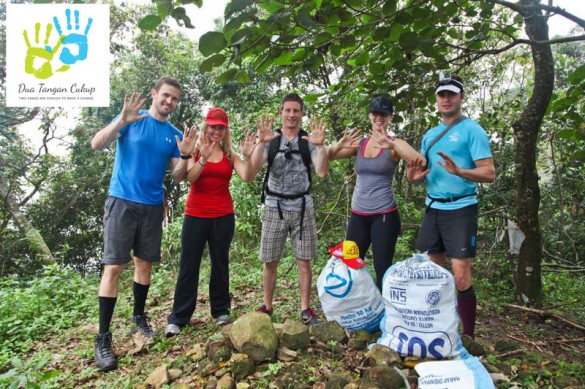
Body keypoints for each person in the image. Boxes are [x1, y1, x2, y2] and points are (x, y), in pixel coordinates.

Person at [90, 76, 196, 371]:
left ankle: (139, 317)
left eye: (174, 98)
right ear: (154, 94)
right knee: (113, 267)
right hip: (121, 201)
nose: (169, 102)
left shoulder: (173, 134)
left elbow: (177, 176)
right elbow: (97, 143)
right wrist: (121, 122)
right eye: (165, 96)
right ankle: (103, 338)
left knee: (144, 264)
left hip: (151, 207)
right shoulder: (131, 119)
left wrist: (186, 154)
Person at [407, 74, 496, 339]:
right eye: (441, 94)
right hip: (433, 209)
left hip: (461, 209)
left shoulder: (472, 130)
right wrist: (412, 178)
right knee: (431, 274)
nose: (446, 99)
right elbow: (422, 174)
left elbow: (489, 173)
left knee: (460, 277)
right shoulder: (430, 135)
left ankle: (468, 337)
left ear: (461, 97)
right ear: (436, 99)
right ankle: (435, 329)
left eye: (451, 94)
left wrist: (460, 171)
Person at [165, 108, 256, 337]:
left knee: (220, 263)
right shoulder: (194, 151)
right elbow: (190, 178)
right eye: (213, 126)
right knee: (189, 265)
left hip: (223, 216)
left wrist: (248, 156)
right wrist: (203, 158)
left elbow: (248, 176)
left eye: (220, 127)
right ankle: (178, 317)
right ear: (206, 127)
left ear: (225, 130)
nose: (216, 130)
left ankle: (221, 310)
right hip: (195, 215)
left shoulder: (229, 154)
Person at [327, 96, 425, 290]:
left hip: (384, 216)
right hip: (358, 215)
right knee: (351, 264)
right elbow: (327, 156)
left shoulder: (394, 143)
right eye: (375, 113)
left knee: (383, 268)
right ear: (370, 115)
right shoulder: (361, 144)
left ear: (390, 117)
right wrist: (338, 145)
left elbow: (420, 161)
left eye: (383, 114)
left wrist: (392, 145)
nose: (378, 117)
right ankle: (359, 310)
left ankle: (385, 315)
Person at [249, 93, 329, 324]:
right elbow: (253, 170)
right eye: (288, 110)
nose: (292, 115)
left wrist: (321, 146)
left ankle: (305, 308)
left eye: (296, 110)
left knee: (304, 260)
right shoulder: (272, 139)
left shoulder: (309, 140)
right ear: (281, 112)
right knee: (270, 260)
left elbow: (322, 172)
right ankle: (267, 305)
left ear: (302, 113)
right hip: (274, 206)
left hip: (302, 206)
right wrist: (260, 142)